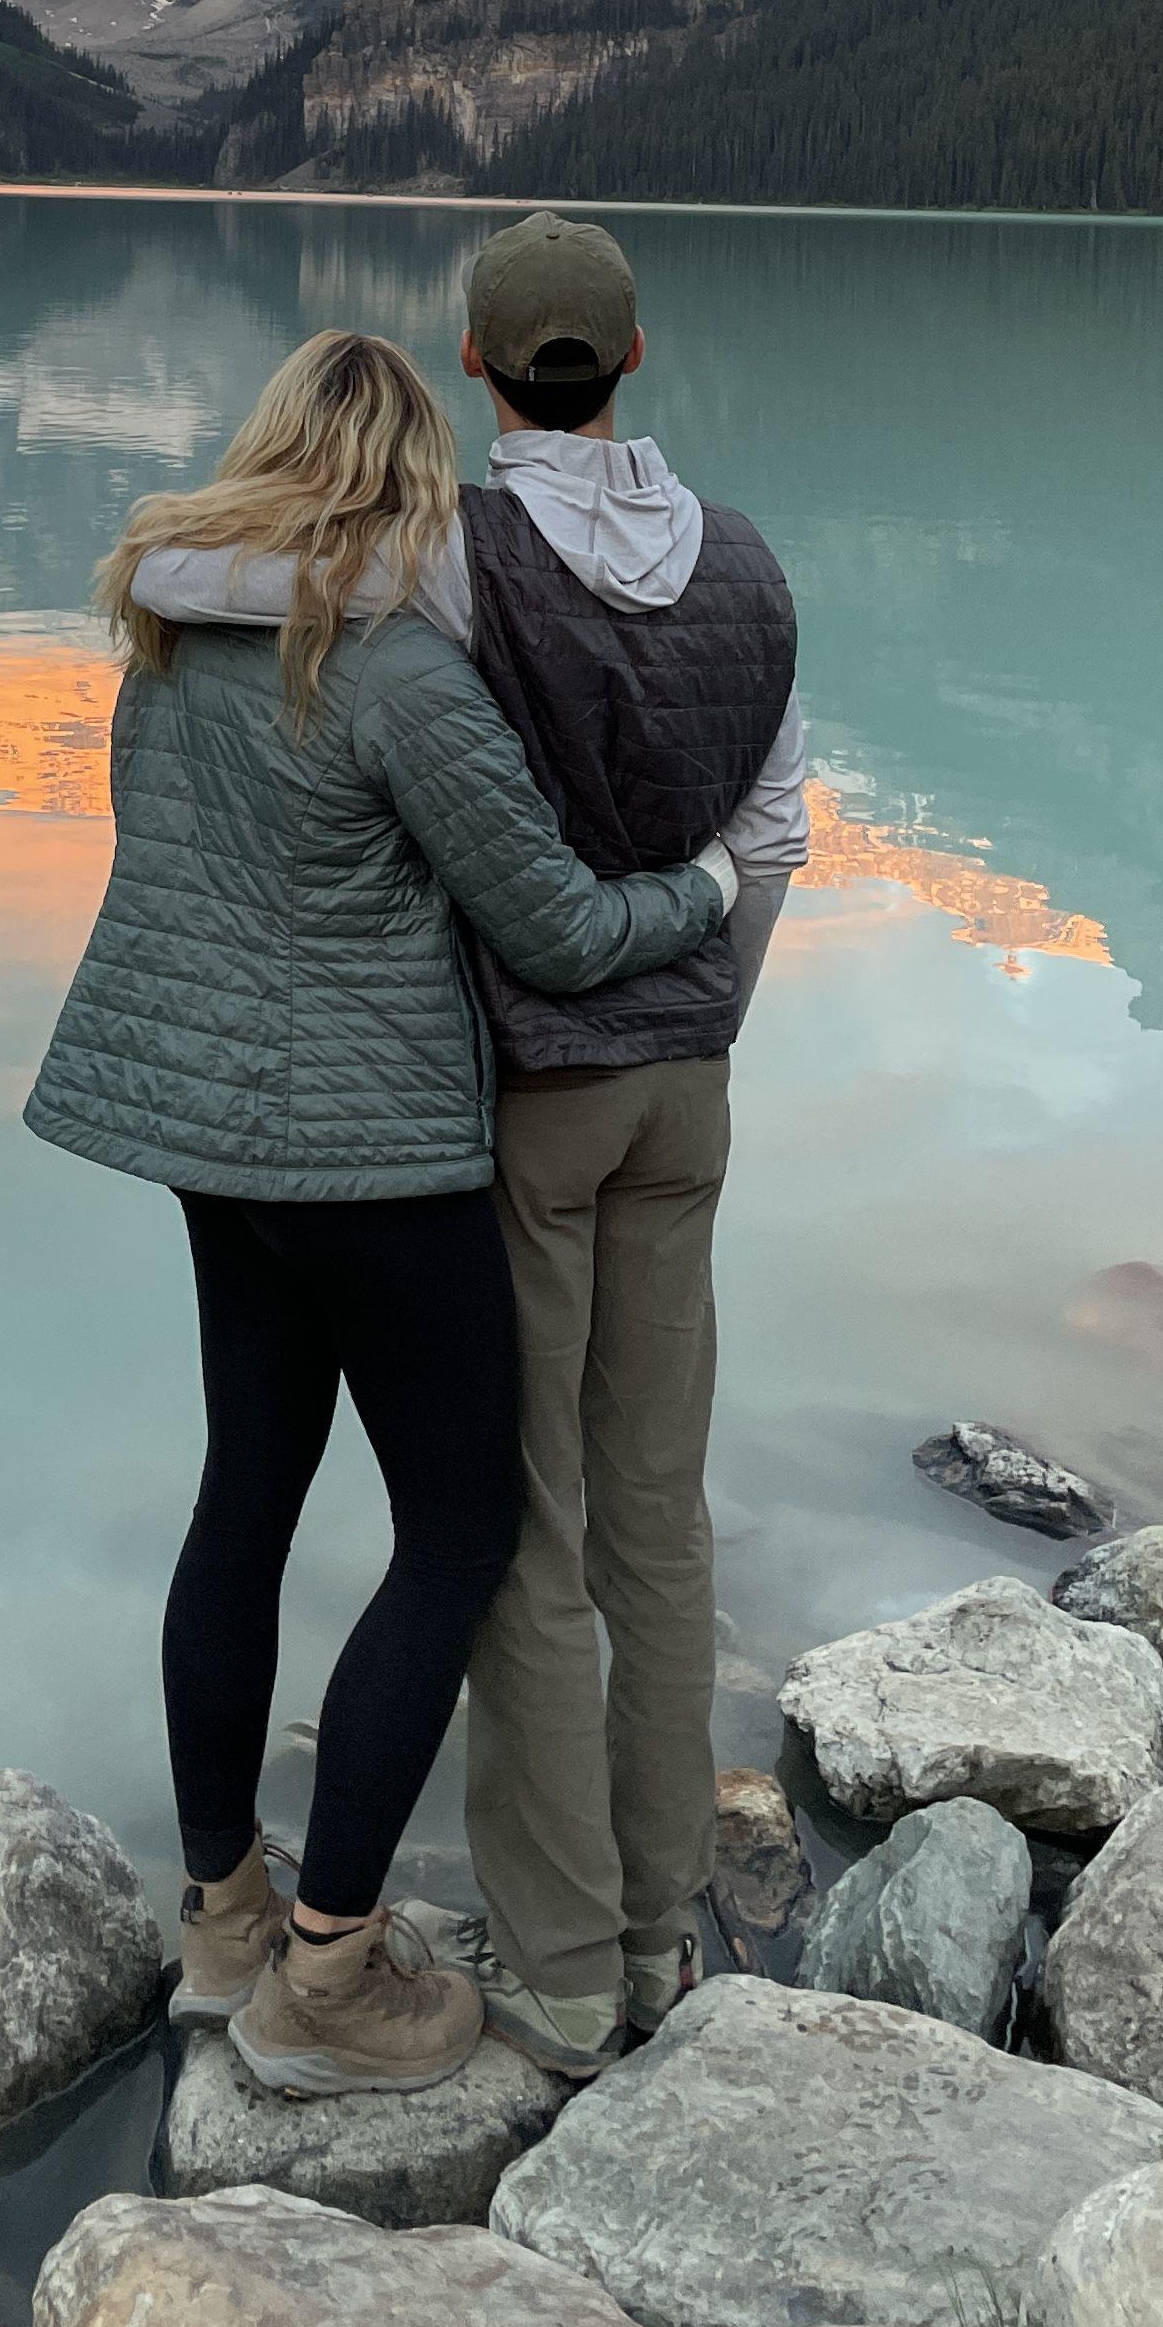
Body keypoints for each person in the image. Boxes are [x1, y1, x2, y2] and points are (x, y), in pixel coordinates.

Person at [30, 327, 738, 2100]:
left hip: (210, 1148)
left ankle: (222, 1921)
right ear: (412, 481)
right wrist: (707, 887)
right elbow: (560, 928)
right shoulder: (397, 673)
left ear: (267, 453)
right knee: (461, 1531)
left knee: (246, 1501)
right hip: (373, 1168)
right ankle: (333, 1976)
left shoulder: (168, 647)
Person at [447, 212, 806, 2077]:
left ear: (479, 366)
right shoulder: (742, 559)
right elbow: (783, 838)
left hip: (530, 1093)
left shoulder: (454, 550)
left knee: (534, 1528)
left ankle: (560, 1965)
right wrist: (714, 1006)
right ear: (636, 360)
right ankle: (666, 1938)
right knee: (659, 1514)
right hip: (693, 1083)